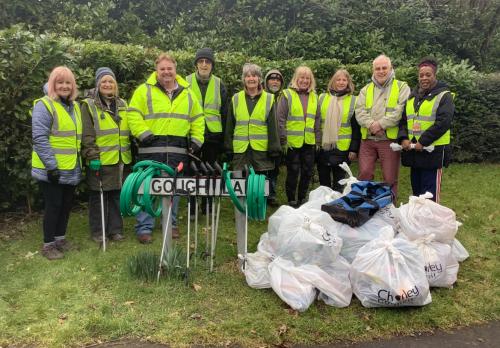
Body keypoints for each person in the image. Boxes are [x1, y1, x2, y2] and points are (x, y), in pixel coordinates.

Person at [127, 53, 204, 243]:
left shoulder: (188, 93)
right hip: (151, 147)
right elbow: (133, 114)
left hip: (178, 149)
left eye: (169, 68)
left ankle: (171, 224)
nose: (166, 72)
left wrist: (196, 141)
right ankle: (144, 227)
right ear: (156, 70)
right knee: (147, 188)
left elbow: (198, 119)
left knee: (174, 189)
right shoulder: (143, 91)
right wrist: (143, 133)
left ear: (175, 70)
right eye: (162, 69)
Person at [31, 66, 82, 260]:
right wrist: (51, 166)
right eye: (60, 82)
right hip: (51, 168)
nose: (64, 86)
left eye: (68, 82)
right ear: (53, 84)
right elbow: (40, 138)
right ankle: (48, 244)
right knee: (53, 206)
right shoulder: (44, 105)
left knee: (66, 205)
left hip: (70, 167)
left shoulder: (75, 106)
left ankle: (60, 239)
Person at [81, 67, 131, 243]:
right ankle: (98, 232)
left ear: (115, 84)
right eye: (103, 81)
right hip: (100, 160)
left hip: (120, 159)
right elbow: (87, 134)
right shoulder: (88, 105)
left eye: (110, 81)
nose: (107, 84)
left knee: (116, 196)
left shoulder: (124, 104)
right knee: (98, 197)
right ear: (97, 84)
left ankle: (115, 230)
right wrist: (92, 156)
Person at [398, 57, 454, 203]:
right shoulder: (412, 97)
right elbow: (404, 121)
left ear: (435, 75)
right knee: (417, 193)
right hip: (414, 153)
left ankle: (431, 223)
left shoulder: (444, 96)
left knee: (430, 195)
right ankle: (417, 223)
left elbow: (443, 122)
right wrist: (403, 138)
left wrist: (423, 141)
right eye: (421, 75)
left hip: (433, 152)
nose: (424, 78)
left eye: (428, 75)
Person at [355, 54, 410, 201]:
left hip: (389, 141)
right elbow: (359, 111)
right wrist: (371, 125)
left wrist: (380, 124)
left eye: (384, 68)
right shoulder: (365, 89)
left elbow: (401, 111)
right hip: (368, 140)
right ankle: (363, 205)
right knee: (364, 174)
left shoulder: (402, 87)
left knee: (390, 177)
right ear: (373, 70)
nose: (381, 71)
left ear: (391, 68)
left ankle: (389, 207)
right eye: (377, 68)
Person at [186, 48, 228, 215]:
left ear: (212, 65)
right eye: (201, 61)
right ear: (196, 64)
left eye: (207, 62)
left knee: (210, 170)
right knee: (192, 170)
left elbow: (225, 112)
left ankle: (208, 204)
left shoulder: (219, 84)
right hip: (193, 135)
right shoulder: (185, 82)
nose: (204, 64)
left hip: (213, 135)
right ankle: (192, 205)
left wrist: (225, 138)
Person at [224, 63, 281, 175]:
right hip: (240, 153)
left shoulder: (269, 99)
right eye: (248, 76)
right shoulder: (236, 99)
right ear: (244, 79)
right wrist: (228, 147)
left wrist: (274, 149)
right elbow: (229, 126)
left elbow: (273, 127)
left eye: (254, 76)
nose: (251, 79)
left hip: (261, 154)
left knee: (259, 188)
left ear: (259, 79)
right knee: (240, 187)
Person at [277, 66, 320, 207]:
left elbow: (317, 120)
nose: (304, 80)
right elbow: (280, 119)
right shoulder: (287, 94)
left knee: (307, 172)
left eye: (307, 78)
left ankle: (302, 198)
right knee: (293, 171)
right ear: (296, 79)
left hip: (309, 141)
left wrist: (318, 139)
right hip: (292, 142)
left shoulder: (315, 96)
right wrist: (283, 139)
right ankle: (291, 199)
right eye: (302, 77)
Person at [316, 69, 361, 192]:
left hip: (342, 148)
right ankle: (323, 204)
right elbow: (317, 122)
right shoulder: (322, 98)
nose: (341, 82)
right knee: (324, 182)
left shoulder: (354, 100)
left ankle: (336, 206)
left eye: (344, 80)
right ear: (333, 81)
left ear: (348, 82)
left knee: (339, 182)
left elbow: (356, 128)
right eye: (338, 79)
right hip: (324, 147)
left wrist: (354, 149)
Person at [264, 69, 284, 206]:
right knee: (264, 168)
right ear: (266, 82)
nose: (275, 81)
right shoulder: (262, 96)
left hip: (279, 139)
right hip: (264, 138)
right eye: (272, 79)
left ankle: (271, 194)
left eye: (278, 80)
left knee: (275, 169)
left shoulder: (285, 97)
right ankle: (262, 194)